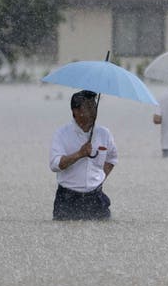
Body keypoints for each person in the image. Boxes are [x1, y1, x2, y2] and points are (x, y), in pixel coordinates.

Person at [49, 90, 118, 220]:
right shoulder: (62, 133)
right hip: (67, 199)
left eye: (94, 105)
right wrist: (79, 154)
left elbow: (112, 158)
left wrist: (100, 178)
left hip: (95, 197)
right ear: (76, 111)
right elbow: (54, 164)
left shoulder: (104, 133)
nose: (94, 110)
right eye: (88, 106)